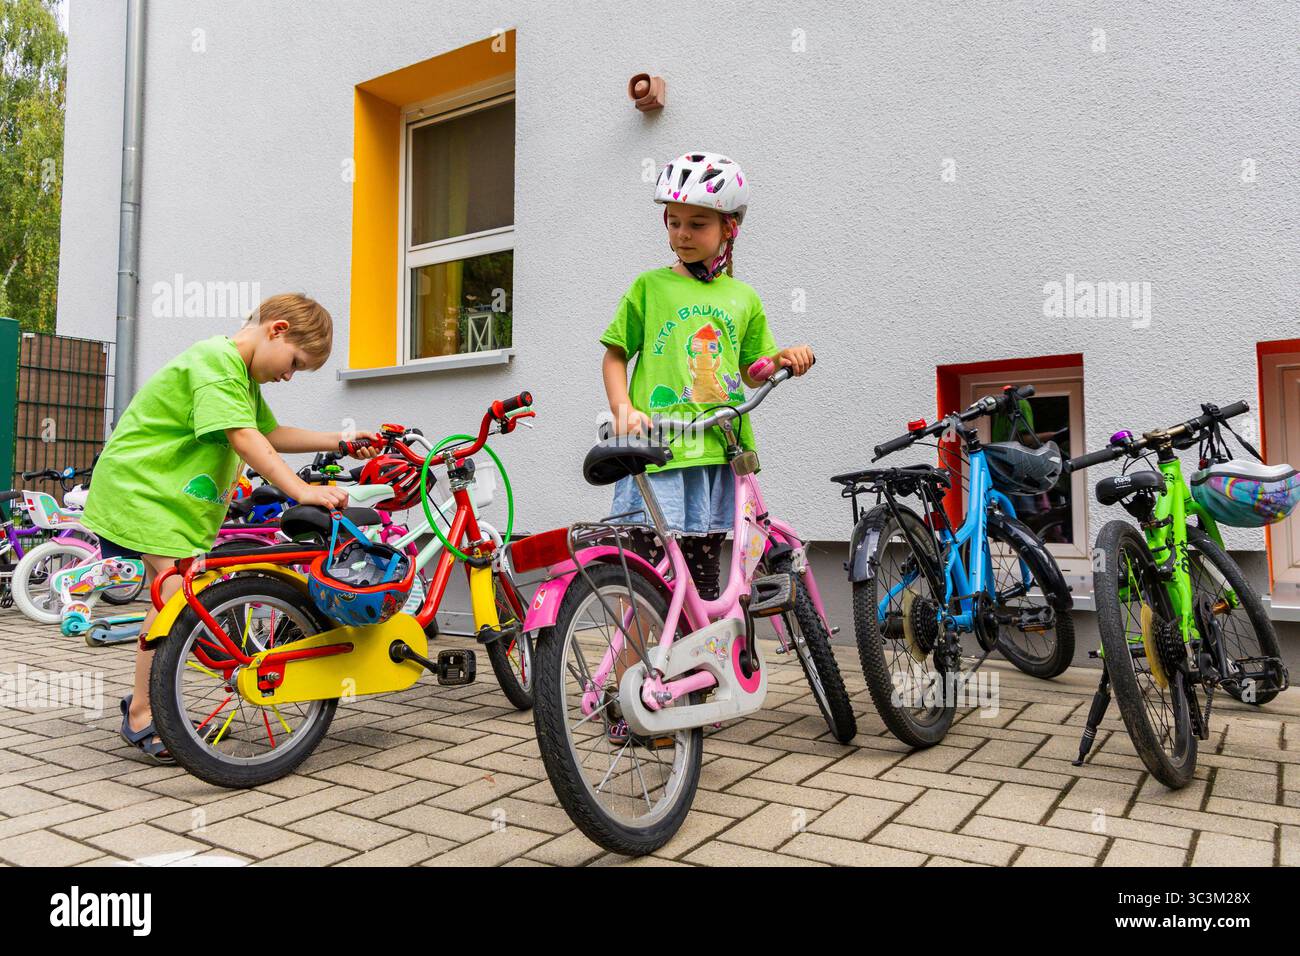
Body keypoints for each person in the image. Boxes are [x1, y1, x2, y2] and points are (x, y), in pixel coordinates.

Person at [80, 293, 380, 761]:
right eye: (295, 363)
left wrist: (339, 441)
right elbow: (244, 438)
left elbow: (268, 433)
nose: (288, 375)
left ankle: (150, 704)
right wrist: (300, 490)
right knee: (177, 595)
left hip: (165, 499)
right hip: (141, 491)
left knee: (173, 595)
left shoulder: (237, 375)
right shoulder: (215, 362)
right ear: (276, 329)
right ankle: (143, 711)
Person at [598, 151, 815, 742]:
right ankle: (628, 705)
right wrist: (623, 408)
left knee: (700, 586)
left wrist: (783, 360)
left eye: (696, 223)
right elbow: (616, 353)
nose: (682, 234)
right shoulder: (649, 287)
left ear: (729, 229)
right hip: (659, 457)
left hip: (716, 458)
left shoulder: (743, 299)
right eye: (673, 221)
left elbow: (750, 370)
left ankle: (685, 692)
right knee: (644, 585)